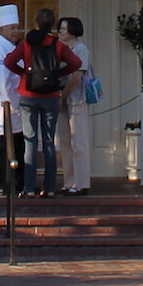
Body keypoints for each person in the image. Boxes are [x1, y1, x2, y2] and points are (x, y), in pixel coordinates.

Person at [3, 6, 81, 197]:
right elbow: (76, 63)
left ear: (36, 23)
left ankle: (29, 188)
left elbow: (9, 62)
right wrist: (57, 74)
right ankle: (50, 188)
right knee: (48, 142)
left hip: (28, 95)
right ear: (52, 25)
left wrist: (24, 74)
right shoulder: (57, 44)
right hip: (51, 96)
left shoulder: (26, 43)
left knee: (30, 141)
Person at [0, 4, 25, 196]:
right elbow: (2, 80)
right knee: (7, 145)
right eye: (12, 28)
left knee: (15, 144)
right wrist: (11, 103)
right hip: (6, 104)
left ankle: (14, 183)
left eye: (17, 27)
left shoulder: (10, 47)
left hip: (13, 102)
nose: (15, 31)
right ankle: (4, 183)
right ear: (2, 30)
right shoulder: (0, 49)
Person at [56, 16, 92, 195]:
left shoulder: (80, 49)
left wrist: (63, 95)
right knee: (64, 142)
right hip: (62, 100)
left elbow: (77, 77)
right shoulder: (60, 49)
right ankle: (69, 181)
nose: (61, 31)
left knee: (79, 142)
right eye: (60, 28)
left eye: (64, 28)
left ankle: (81, 182)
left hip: (77, 99)